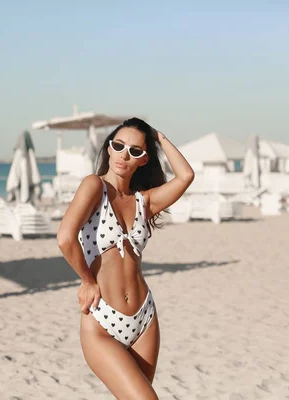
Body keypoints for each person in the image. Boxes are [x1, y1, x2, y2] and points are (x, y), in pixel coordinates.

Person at [57, 118, 194, 399]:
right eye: (119, 146)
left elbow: (185, 177)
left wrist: (160, 138)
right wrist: (87, 280)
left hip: (145, 318)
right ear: (108, 149)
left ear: (143, 159)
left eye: (134, 150)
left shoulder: (145, 202)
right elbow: (65, 238)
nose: (124, 155)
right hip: (103, 320)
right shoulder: (94, 186)